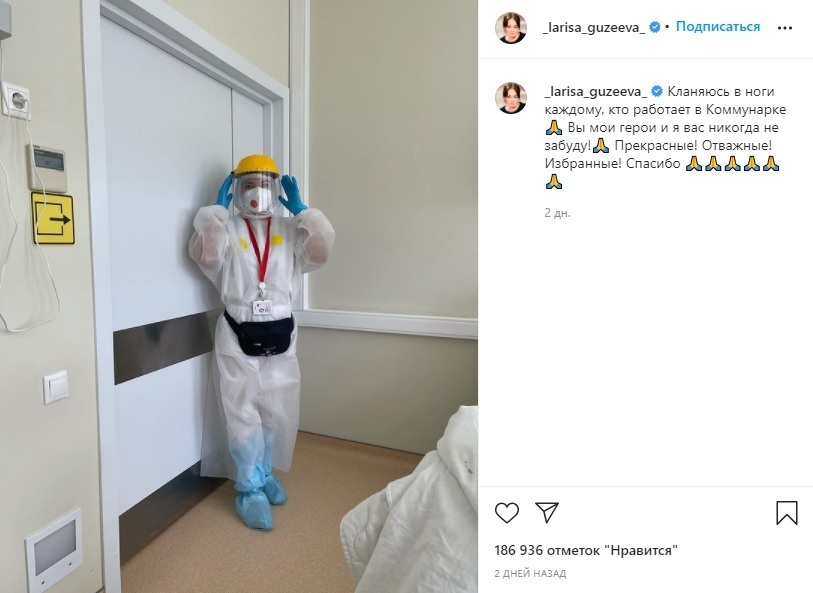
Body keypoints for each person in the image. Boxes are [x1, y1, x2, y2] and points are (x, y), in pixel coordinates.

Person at [189, 154, 335, 530]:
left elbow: (320, 253)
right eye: (249, 184)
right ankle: (249, 486)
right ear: (237, 189)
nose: (257, 192)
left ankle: (265, 472)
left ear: (277, 189)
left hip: (281, 331)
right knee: (241, 410)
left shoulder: (290, 228)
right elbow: (206, 255)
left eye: (265, 184)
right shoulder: (227, 227)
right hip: (237, 331)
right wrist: (215, 213)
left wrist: (304, 213)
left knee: (277, 408)